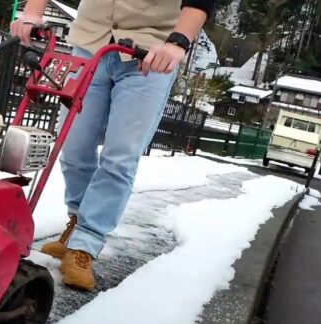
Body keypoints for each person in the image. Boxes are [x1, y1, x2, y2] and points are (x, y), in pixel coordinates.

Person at [12, 0, 213, 292]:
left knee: (119, 157)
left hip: (150, 55)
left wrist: (178, 42)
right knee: (73, 145)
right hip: (89, 43)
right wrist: (32, 13)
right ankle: (78, 221)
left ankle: (86, 243)